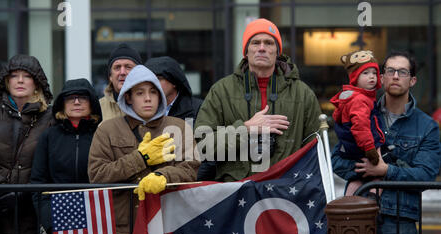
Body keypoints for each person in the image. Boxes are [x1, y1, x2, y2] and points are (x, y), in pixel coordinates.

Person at [332, 51, 441, 234]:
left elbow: (425, 175)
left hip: (399, 217)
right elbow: (337, 160)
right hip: (359, 213)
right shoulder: (359, 108)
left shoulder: (427, 127)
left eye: (402, 72)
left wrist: (386, 170)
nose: (395, 76)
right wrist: (368, 170)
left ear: (412, 80)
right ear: (381, 78)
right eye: (390, 71)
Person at [88, 65, 200, 234]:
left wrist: (163, 176)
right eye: (140, 93)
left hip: (166, 229)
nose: (148, 98)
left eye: (153, 92)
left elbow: (191, 167)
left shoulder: (178, 126)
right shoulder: (107, 130)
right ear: (127, 96)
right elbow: (97, 175)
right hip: (121, 232)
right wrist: (140, 158)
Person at [194, 18, 321, 182]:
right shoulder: (221, 91)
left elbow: (316, 150)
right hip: (237, 194)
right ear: (246, 51)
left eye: (269, 43)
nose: (262, 48)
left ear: (278, 52)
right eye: (255, 42)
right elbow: (203, 147)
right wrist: (245, 129)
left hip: (287, 193)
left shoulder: (302, 94)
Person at [30, 78, 103, 234]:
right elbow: (38, 182)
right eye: (71, 98)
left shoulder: (102, 134)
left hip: (95, 223)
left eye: (82, 97)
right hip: (58, 222)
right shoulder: (49, 136)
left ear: (92, 103)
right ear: (62, 103)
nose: (77, 102)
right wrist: (49, 220)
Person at [0, 54, 54, 234]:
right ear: (5, 82)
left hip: (33, 217)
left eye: (26, 76)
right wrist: (1, 188)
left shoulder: (51, 118)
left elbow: (53, 163)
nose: (19, 81)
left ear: (36, 83)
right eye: (14, 76)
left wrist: (28, 190)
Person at [330, 50, 385, 196]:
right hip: (362, 149)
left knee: (357, 178)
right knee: (377, 175)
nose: (372, 76)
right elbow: (361, 127)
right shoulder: (360, 100)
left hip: (353, 148)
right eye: (365, 73)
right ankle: (373, 199)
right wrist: (370, 150)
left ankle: (348, 203)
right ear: (355, 77)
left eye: (374, 72)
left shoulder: (354, 97)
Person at [144, 56, 202, 122]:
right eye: (150, 80)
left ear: (174, 82)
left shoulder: (198, 109)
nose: (154, 83)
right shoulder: (142, 109)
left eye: (159, 78)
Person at [100, 43, 143, 121]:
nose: (122, 72)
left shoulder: (149, 104)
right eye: (117, 67)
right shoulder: (98, 108)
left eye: (128, 67)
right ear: (110, 76)